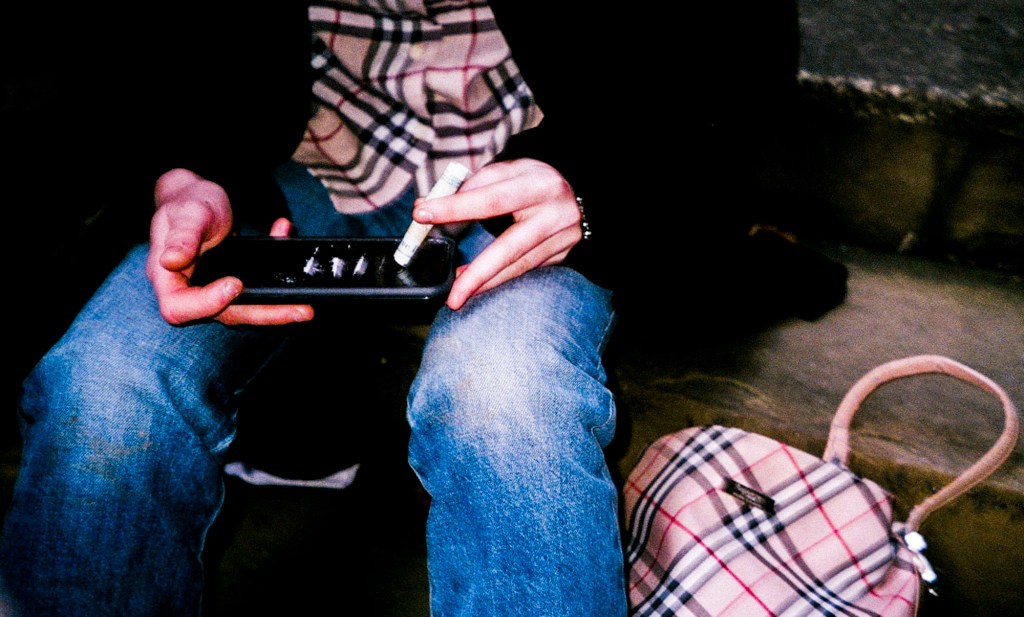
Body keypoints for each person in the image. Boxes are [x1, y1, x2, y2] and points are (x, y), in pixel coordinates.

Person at [1, 1, 801, 615]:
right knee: (104, 383)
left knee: (504, 394)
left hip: (536, 160)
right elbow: (131, 43)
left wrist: (595, 191)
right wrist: (183, 169)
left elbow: (739, 67)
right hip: (292, 161)